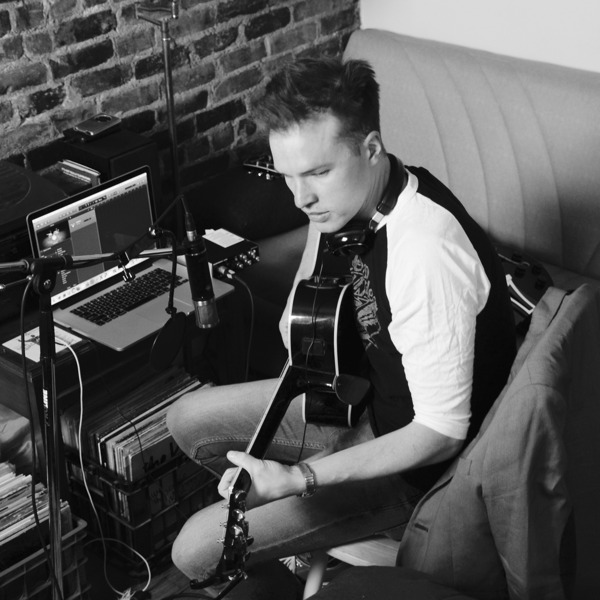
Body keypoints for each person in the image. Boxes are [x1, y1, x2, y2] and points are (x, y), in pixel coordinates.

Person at [166, 56, 516, 585]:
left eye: (318, 173)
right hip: (361, 401)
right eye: (289, 176)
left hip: (414, 471)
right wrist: (300, 294)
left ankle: (325, 537)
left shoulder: (424, 254)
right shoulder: (361, 192)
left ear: (371, 148)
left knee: (195, 550)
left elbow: (440, 434)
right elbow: (318, 224)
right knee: (185, 417)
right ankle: (293, 530)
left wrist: (300, 479)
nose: (301, 198)